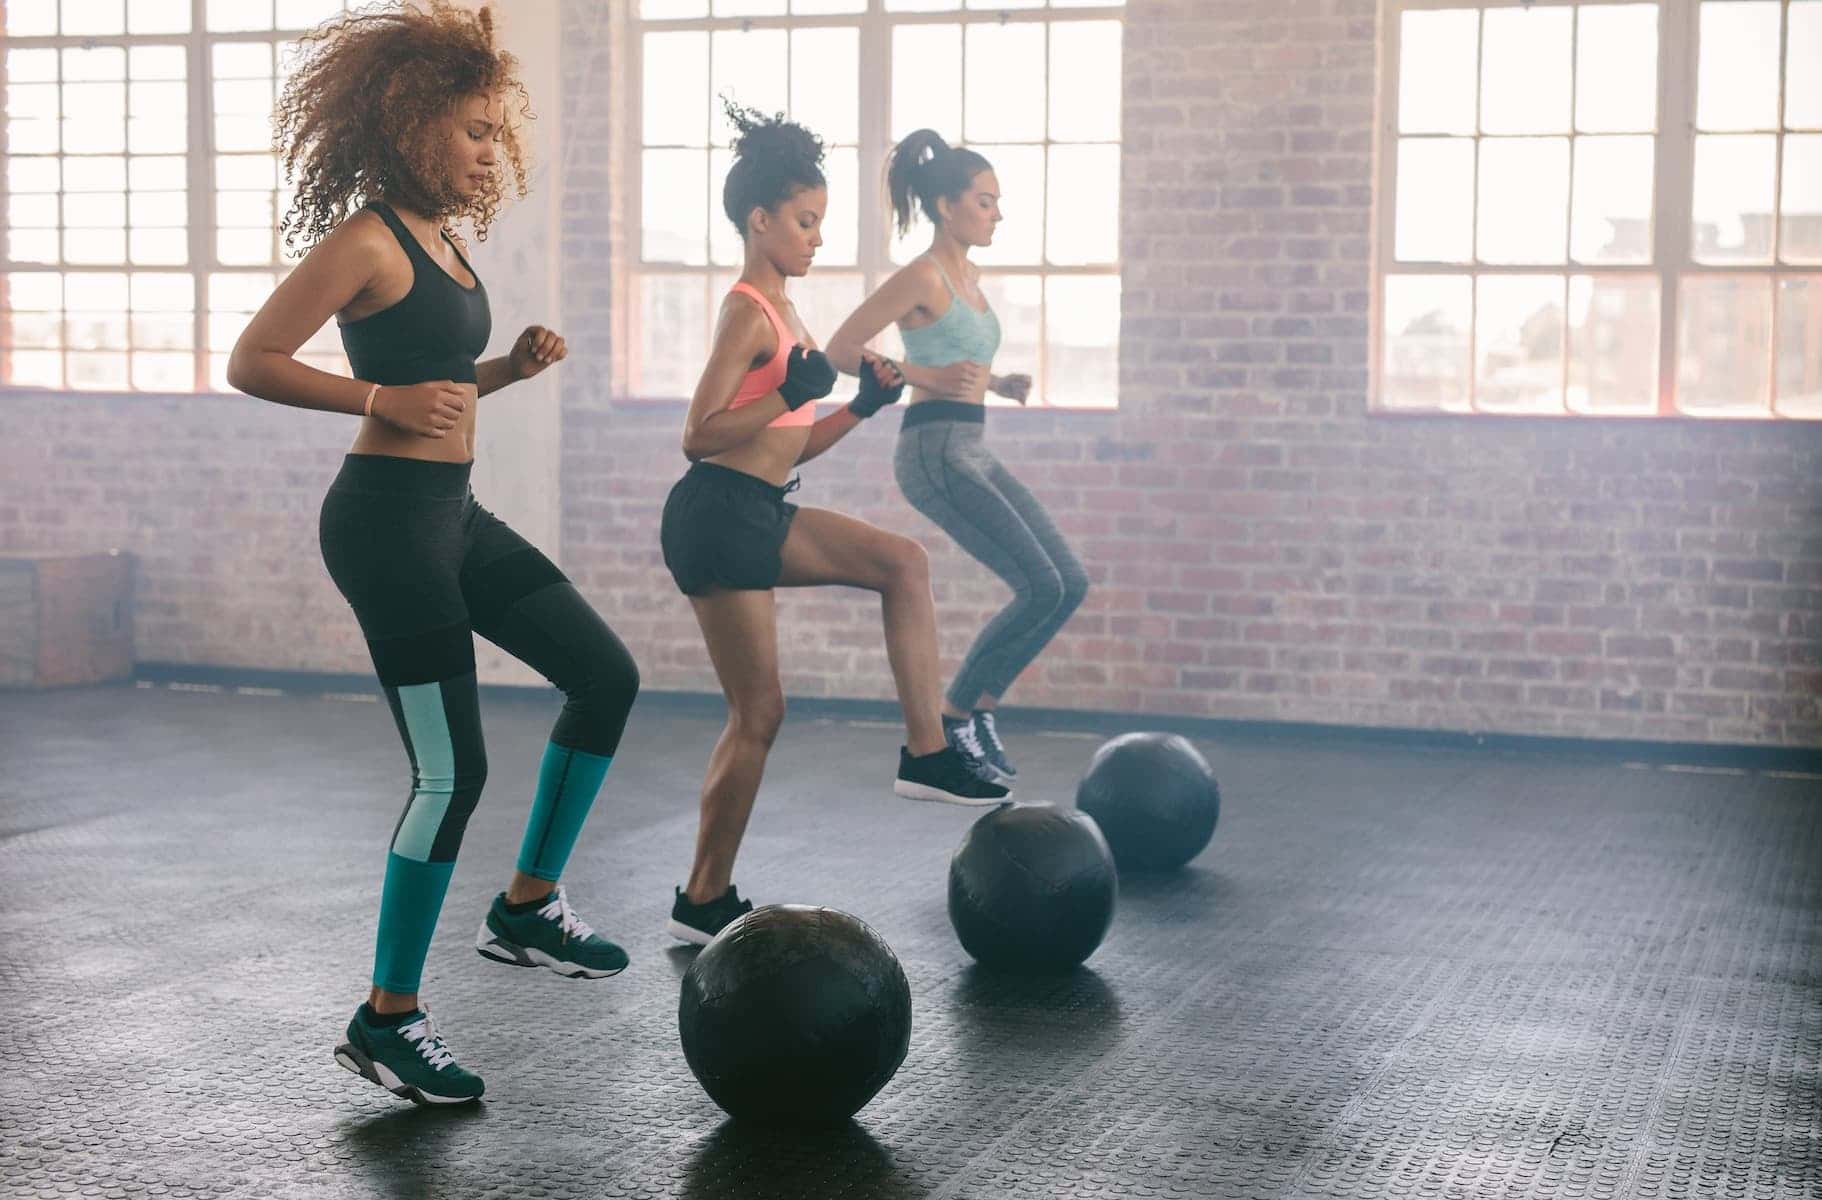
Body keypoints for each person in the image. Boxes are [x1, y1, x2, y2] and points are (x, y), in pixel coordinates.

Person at [227, 1, 638, 1106]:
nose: (487, 151)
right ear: (409, 126)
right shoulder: (364, 240)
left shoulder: (444, 241)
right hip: (382, 527)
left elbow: (437, 392)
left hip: (447, 514)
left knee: (606, 675)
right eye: (471, 131)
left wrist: (506, 367)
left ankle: (526, 906)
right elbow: (252, 359)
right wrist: (373, 395)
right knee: (452, 774)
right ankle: (386, 1020)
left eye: (495, 133)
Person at [659, 105, 1009, 947]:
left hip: (756, 508)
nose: (817, 239)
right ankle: (704, 895)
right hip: (717, 515)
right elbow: (699, 434)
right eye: (806, 222)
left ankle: (925, 752)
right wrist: (790, 389)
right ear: (761, 221)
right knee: (759, 714)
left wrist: (861, 402)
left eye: (820, 222)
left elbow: (790, 442)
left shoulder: (788, 312)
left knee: (902, 563)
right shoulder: (749, 309)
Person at [826, 130, 1090, 787]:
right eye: (985, 201)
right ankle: (953, 717)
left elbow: (959, 357)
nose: (996, 213)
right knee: (1040, 586)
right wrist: (928, 378)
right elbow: (840, 348)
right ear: (948, 206)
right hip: (933, 449)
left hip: (971, 443)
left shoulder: (968, 276)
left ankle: (979, 708)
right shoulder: (923, 274)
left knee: (1068, 582)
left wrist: (997, 384)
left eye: (998, 202)